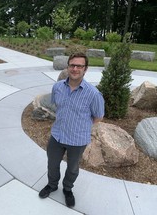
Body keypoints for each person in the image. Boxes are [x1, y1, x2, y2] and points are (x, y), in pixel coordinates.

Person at [39, 52, 105, 207]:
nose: (75, 69)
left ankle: (67, 189)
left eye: (79, 66)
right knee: (52, 163)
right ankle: (52, 185)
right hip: (57, 135)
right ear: (68, 66)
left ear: (85, 69)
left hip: (77, 139)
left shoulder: (93, 94)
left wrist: (81, 126)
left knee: (73, 168)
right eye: (72, 65)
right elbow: (57, 107)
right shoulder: (57, 87)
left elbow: (98, 117)